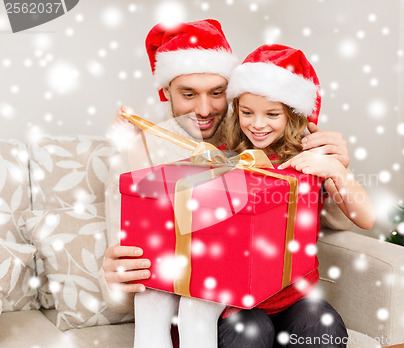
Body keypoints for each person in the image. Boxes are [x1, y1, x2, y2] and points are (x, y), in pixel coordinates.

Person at [100, 19, 355, 348]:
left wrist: (338, 168)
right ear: (165, 92)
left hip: (276, 290)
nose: (204, 109)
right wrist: (117, 278)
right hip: (207, 296)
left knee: (323, 328)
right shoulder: (140, 154)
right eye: (188, 94)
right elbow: (125, 278)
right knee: (244, 327)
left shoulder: (255, 132)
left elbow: (334, 221)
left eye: (217, 93)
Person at [220, 43, 375, 347]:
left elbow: (366, 218)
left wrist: (336, 170)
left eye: (272, 114)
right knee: (249, 332)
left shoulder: (310, 162)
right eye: (247, 112)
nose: (258, 123)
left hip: (295, 298)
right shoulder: (225, 160)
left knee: (323, 327)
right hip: (239, 302)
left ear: (292, 114)